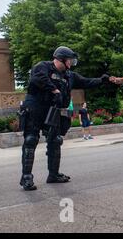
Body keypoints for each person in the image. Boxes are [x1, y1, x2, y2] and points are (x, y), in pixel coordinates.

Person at [19, 46, 110, 191]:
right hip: (35, 108)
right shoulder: (43, 67)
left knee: (55, 140)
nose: (71, 63)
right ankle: (26, 177)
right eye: (70, 60)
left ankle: (53, 175)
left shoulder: (69, 75)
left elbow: (86, 82)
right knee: (31, 140)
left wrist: (101, 80)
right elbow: (38, 78)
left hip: (54, 111)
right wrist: (53, 89)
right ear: (61, 59)